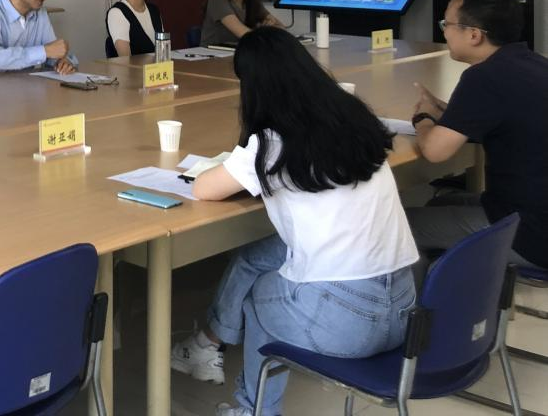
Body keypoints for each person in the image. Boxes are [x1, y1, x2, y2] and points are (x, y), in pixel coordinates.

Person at [170, 27, 417, 416]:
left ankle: (253, 410)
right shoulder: (353, 116)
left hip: (349, 323)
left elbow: (204, 189)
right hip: (404, 309)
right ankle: (207, 346)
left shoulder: (272, 142)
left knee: (260, 297)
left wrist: (240, 162)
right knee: (259, 256)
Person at [406, 0, 546, 270]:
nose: (444, 32)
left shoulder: (484, 77)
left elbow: (435, 151)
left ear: (474, 35)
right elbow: (503, 118)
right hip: (534, 212)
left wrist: (423, 119)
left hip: (529, 233)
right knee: (437, 205)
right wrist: (447, 112)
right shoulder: (534, 63)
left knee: (400, 228)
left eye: (447, 24)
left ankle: (427, 298)